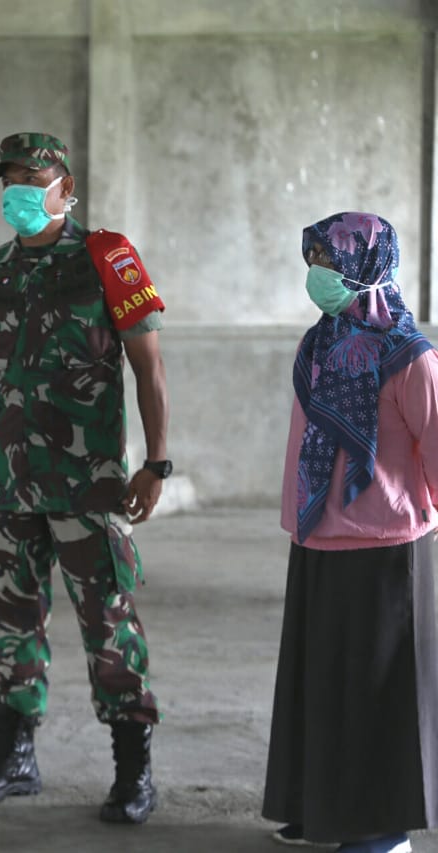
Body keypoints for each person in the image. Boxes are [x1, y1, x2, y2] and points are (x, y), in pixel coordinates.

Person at [0, 132, 170, 824]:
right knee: (10, 623)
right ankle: (14, 756)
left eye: (32, 178)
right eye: (9, 178)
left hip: (92, 487)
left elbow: (148, 369)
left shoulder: (109, 260)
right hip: (11, 486)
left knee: (109, 624)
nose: (18, 190)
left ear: (65, 189)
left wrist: (156, 461)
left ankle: (133, 771)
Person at [262, 212, 438, 853]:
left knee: (376, 689)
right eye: (313, 262)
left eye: (331, 263)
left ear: (368, 266)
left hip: (384, 545)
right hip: (317, 537)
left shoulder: (410, 357)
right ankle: (317, 808)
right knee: (320, 681)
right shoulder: (320, 341)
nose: (319, 276)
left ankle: (379, 829)